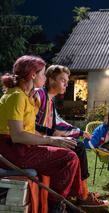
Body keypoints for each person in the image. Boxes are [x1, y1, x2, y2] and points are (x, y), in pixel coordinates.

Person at [0, 55, 82, 212]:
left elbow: (29, 129)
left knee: (68, 154)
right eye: (43, 73)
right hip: (13, 151)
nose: (45, 77)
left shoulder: (24, 96)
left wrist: (54, 139)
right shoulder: (16, 96)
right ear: (32, 75)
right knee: (68, 158)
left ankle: (59, 202)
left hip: (20, 148)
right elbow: (17, 135)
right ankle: (55, 207)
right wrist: (51, 140)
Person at [34, 65, 109, 208]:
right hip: (36, 141)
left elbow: (58, 123)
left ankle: (80, 193)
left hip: (44, 140)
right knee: (78, 147)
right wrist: (78, 133)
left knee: (77, 145)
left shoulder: (49, 100)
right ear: (50, 80)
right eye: (62, 80)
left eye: (67, 81)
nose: (66, 84)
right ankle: (82, 195)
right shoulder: (39, 94)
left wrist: (80, 132)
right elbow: (35, 124)